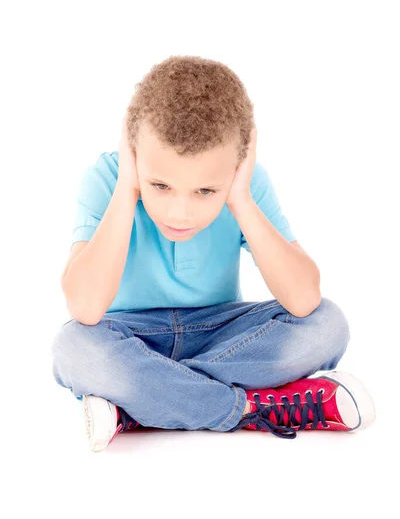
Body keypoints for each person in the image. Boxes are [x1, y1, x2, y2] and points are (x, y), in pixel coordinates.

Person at [51, 55, 376, 452]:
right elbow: (85, 308)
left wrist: (239, 199)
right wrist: (127, 189)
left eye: (205, 191)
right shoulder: (107, 179)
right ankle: (253, 407)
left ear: (236, 167)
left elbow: (304, 299)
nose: (180, 213)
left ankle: (139, 406)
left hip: (220, 333)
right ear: (134, 154)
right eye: (160, 186)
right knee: (75, 349)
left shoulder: (246, 183)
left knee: (328, 324)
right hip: (130, 335)